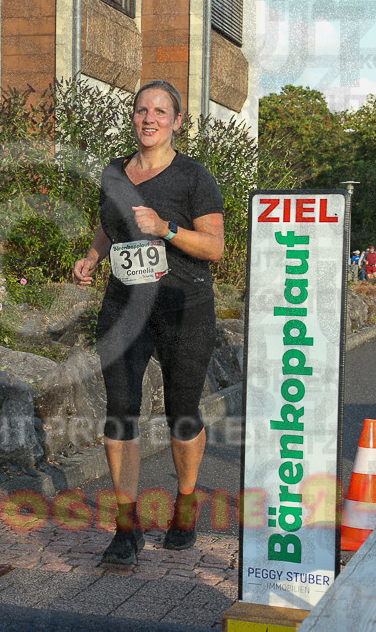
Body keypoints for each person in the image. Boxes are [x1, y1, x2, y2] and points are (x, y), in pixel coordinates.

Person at [73, 80, 224, 565]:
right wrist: (93, 257)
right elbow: (108, 222)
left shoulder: (194, 177)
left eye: (161, 111)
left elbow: (215, 248)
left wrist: (166, 228)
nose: (149, 118)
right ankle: (126, 526)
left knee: (183, 411)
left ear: (177, 122)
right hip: (124, 305)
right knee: (120, 409)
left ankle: (185, 503)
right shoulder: (113, 171)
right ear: (133, 117)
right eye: (142, 110)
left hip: (184, 305)